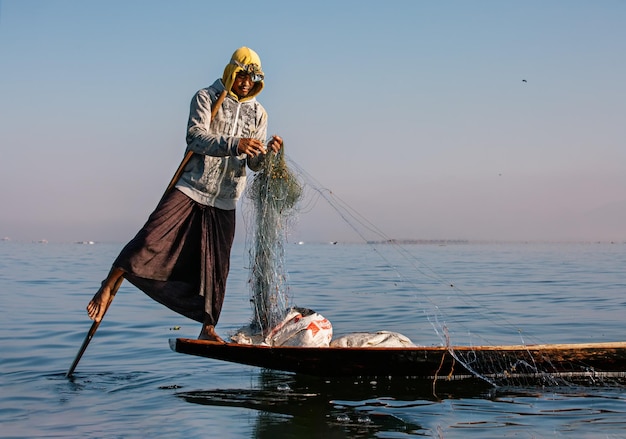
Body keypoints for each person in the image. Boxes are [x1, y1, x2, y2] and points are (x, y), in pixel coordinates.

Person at [86, 47, 283, 342]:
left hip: (225, 199)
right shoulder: (206, 97)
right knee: (150, 239)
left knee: (217, 269)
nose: (246, 82)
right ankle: (107, 285)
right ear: (232, 72)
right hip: (191, 187)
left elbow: (253, 164)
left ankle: (207, 328)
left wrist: (266, 154)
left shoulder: (259, 113)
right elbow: (196, 137)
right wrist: (235, 144)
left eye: (252, 78)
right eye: (242, 75)